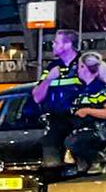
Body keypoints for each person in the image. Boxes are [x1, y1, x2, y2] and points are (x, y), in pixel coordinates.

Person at [30, 30, 85, 167]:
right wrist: (48, 80)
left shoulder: (85, 64)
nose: (53, 45)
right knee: (49, 147)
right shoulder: (52, 68)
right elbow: (37, 97)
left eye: (56, 42)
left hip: (82, 120)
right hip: (57, 120)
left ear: (67, 45)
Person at [64, 52, 106, 174]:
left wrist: (87, 111)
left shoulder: (99, 88)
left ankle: (95, 161)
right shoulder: (80, 88)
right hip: (76, 128)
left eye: (79, 66)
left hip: (95, 130)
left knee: (72, 142)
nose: (77, 69)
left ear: (84, 67)